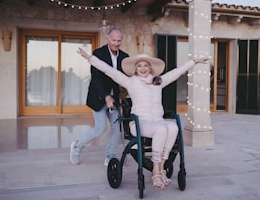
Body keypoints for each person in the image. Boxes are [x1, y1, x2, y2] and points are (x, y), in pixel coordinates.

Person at [77, 47, 208, 190]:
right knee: (161, 130)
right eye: (139, 66)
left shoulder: (158, 81)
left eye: (145, 66)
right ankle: (156, 173)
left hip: (157, 121)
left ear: (150, 68)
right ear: (135, 68)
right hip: (139, 123)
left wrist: (194, 62)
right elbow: (109, 70)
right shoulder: (130, 82)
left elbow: (176, 73)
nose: (143, 69)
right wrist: (90, 58)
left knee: (173, 127)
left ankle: (160, 168)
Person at [70, 28, 129, 166]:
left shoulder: (125, 57)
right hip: (99, 96)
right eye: (114, 40)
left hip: (115, 99)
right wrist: (106, 97)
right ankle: (77, 146)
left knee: (117, 128)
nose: (116, 43)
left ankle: (110, 156)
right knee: (100, 128)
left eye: (119, 40)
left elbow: (126, 77)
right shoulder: (98, 53)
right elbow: (96, 79)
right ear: (108, 39)